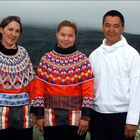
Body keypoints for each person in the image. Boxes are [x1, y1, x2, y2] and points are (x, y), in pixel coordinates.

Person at [30, 20, 94, 140]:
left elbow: (88, 91)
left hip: (76, 118)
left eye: (70, 35)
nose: (66, 38)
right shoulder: (46, 60)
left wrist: (86, 117)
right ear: (57, 34)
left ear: (75, 37)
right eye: (63, 34)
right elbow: (38, 89)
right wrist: (39, 115)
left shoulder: (82, 61)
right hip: (50, 116)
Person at [89, 10, 140, 140]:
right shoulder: (94, 55)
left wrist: (132, 121)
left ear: (123, 28)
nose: (111, 30)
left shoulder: (132, 55)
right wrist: (87, 115)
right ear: (102, 27)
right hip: (96, 116)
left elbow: (136, 89)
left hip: (121, 117)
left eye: (116, 26)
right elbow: (89, 88)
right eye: (107, 25)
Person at [0, 16, 35, 140]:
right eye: (10, 29)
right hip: (1, 114)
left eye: (17, 31)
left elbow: (32, 83)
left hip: (23, 113)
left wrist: (34, 109)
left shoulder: (23, 53)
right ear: (1, 30)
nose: (13, 34)